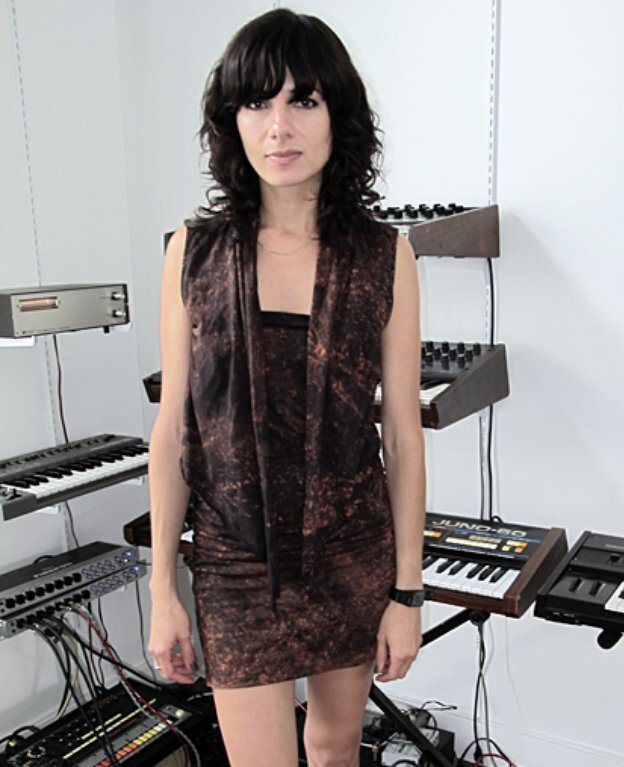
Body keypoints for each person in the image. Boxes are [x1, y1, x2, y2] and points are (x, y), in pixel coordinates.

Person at [147, 9, 425, 767]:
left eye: (303, 100)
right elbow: (173, 430)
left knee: (335, 749)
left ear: (339, 114)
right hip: (234, 559)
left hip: (351, 551)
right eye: (256, 102)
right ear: (231, 119)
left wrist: (407, 594)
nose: (279, 127)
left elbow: (403, 435)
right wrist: (162, 587)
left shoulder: (385, 257)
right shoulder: (191, 254)